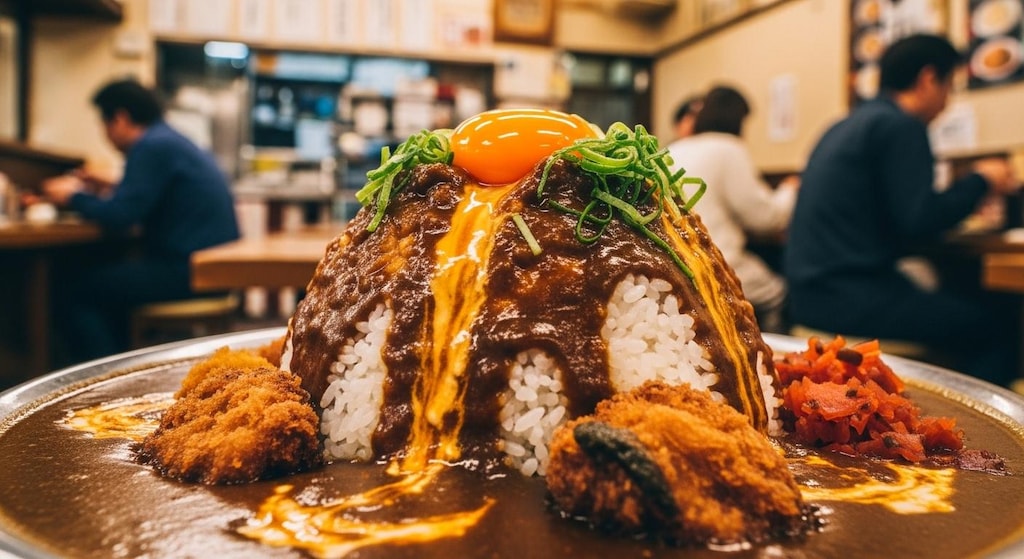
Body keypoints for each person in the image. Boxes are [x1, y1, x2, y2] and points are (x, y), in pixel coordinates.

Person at [783, 34, 1020, 386]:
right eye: (949, 86)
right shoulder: (901, 126)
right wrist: (981, 180)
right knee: (998, 328)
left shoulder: (846, 124)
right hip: (847, 296)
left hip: (807, 295)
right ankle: (969, 437)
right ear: (928, 79)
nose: (946, 102)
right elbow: (919, 221)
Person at [40, 78, 240, 364]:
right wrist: (107, 187)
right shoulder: (168, 139)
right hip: (207, 268)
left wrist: (72, 197)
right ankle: (117, 362)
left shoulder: (150, 146)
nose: (105, 134)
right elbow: (139, 199)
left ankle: (101, 376)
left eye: (104, 124)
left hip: (188, 272)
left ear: (120, 119)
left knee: (72, 290)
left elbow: (121, 216)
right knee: (103, 282)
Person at [668, 85, 799, 333]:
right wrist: (790, 190)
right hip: (717, 267)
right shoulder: (729, 148)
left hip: (673, 270)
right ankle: (766, 356)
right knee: (777, 292)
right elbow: (765, 218)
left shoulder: (674, 149)